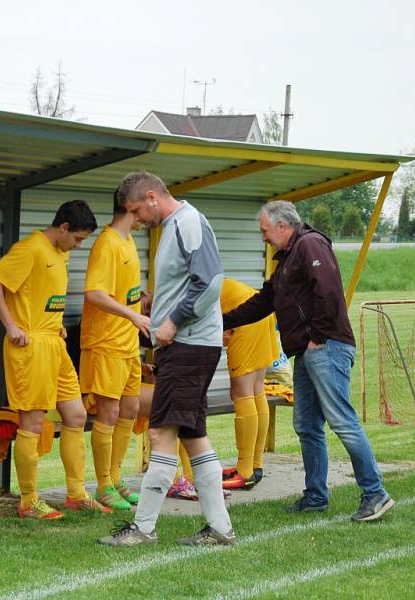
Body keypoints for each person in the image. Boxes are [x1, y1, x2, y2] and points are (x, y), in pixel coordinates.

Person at [222, 200, 394, 521]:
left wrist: (317, 338)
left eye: (265, 231)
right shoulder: (286, 259)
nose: (264, 238)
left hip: (326, 348)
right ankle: (315, 495)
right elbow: (263, 302)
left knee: (342, 420)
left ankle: (375, 493)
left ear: (282, 226)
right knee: (307, 426)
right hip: (307, 351)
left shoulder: (310, 244)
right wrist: (224, 321)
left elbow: (329, 293)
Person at [98, 171, 235, 547]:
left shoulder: (187, 222)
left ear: (152, 197)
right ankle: (220, 529)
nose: (137, 220)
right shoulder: (178, 224)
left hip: (188, 345)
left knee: (160, 432)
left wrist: (172, 321)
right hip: (191, 345)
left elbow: (210, 281)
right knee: (194, 436)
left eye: (137, 211)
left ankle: (143, 529)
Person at [0, 200, 109, 519]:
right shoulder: (29, 248)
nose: (78, 246)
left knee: (77, 414)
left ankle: (76, 494)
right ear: (64, 227)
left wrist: (56, 325)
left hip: (54, 344)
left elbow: (45, 296)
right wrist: (11, 325)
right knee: (32, 422)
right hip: (29, 347)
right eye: (78, 239)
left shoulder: (61, 252)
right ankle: (29, 500)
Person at [79, 190, 151, 510]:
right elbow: (95, 293)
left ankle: (117, 478)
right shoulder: (107, 244)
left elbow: (122, 291)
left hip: (127, 342)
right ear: (132, 207)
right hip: (106, 342)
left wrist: (139, 302)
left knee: (131, 409)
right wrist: (133, 314)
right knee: (107, 412)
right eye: (146, 205)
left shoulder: (129, 241)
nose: (151, 212)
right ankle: (103, 485)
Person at [220, 278, 277, 490]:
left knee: (242, 393)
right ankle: (255, 465)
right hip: (260, 313)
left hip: (245, 317)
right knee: (256, 390)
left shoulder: (181, 286)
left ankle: (244, 471)